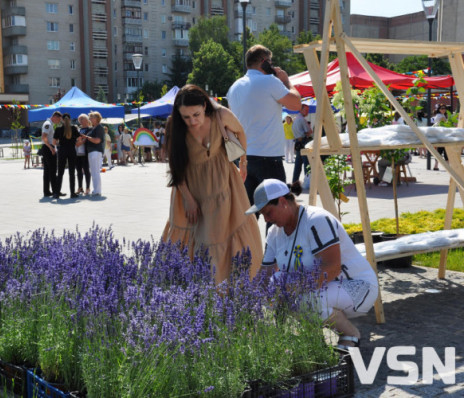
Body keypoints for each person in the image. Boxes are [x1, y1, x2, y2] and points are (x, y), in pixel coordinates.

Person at [245, 179, 378, 348]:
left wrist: (291, 290)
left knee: (300, 300)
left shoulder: (317, 220)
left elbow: (332, 268)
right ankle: (314, 340)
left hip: (357, 287)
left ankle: (350, 334)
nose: (266, 219)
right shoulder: (274, 232)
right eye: (263, 215)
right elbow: (266, 274)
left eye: (268, 212)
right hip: (323, 289)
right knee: (277, 283)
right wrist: (248, 302)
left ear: (283, 202)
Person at [162, 84, 263, 284]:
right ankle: (185, 288)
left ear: (205, 106)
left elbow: (240, 132)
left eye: (196, 114)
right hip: (190, 187)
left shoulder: (221, 115)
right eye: (186, 117)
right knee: (191, 236)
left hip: (224, 183)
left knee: (222, 233)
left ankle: (226, 286)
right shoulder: (175, 126)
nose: (192, 121)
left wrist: (243, 161)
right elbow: (176, 167)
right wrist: (189, 199)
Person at [226, 45, 302, 210]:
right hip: (268, 158)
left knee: (247, 216)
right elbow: (296, 104)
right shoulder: (270, 81)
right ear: (264, 62)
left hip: (244, 158)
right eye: (271, 62)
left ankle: (246, 238)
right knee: (276, 214)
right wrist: (286, 81)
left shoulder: (234, 88)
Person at [54, 113, 80, 198]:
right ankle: (72, 193)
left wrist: (60, 143)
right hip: (72, 150)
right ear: (70, 119)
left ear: (62, 119)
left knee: (60, 172)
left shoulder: (58, 129)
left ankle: (57, 193)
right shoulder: (74, 128)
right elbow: (79, 139)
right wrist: (74, 143)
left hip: (62, 151)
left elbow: (54, 142)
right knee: (72, 173)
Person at [41, 111, 62, 197]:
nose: (59, 121)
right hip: (48, 148)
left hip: (46, 148)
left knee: (47, 171)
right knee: (53, 171)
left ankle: (47, 191)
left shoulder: (49, 124)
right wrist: (51, 147)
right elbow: (44, 137)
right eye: (59, 119)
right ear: (55, 117)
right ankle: (55, 191)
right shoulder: (48, 124)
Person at [84, 111, 105, 196]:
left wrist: (87, 137)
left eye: (91, 117)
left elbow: (97, 140)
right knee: (93, 171)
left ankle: (97, 190)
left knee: (95, 171)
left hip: (96, 151)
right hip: (92, 151)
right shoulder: (94, 128)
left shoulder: (99, 127)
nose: (90, 119)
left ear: (96, 118)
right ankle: (96, 189)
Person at [292, 104, 313, 184]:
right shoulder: (302, 119)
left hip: (298, 142)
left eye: (308, 110)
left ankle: (295, 181)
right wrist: (308, 132)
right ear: (301, 110)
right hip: (303, 141)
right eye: (305, 110)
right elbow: (310, 131)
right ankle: (307, 181)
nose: (307, 111)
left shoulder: (296, 119)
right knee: (306, 162)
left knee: (298, 163)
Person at [75, 114, 91, 195]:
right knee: (78, 171)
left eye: (82, 119)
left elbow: (87, 138)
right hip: (78, 153)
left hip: (85, 152)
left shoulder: (89, 129)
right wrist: (77, 143)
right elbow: (77, 139)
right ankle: (80, 187)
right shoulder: (80, 130)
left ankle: (88, 187)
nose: (80, 121)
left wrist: (80, 142)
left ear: (86, 120)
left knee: (86, 170)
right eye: (79, 119)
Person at [432, 105, 449, 171]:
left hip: (439, 134)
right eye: (442, 108)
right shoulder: (441, 116)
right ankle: (447, 166)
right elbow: (445, 124)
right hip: (443, 134)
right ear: (439, 109)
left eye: (445, 108)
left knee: (439, 151)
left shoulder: (437, 115)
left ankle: (436, 166)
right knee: (445, 150)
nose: (443, 110)